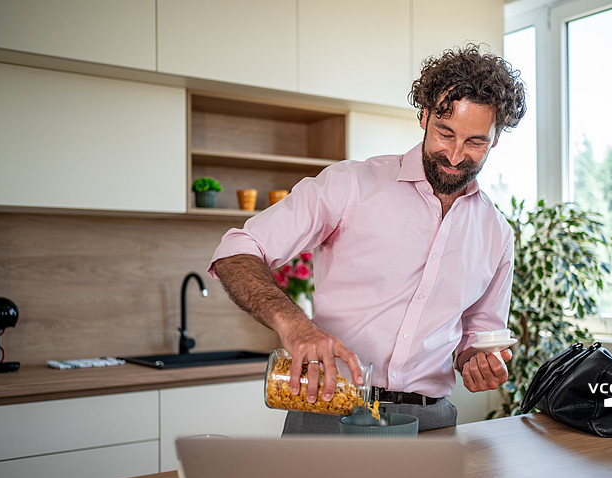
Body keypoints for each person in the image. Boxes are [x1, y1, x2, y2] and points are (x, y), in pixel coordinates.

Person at [208, 43, 527, 434]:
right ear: (424, 117)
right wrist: (294, 324)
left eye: (475, 141)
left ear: (495, 139)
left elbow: (478, 335)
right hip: (328, 409)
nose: (457, 155)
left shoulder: (497, 233)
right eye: (445, 133)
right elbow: (236, 250)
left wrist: (476, 361)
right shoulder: (350, 185)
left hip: (432, 423)